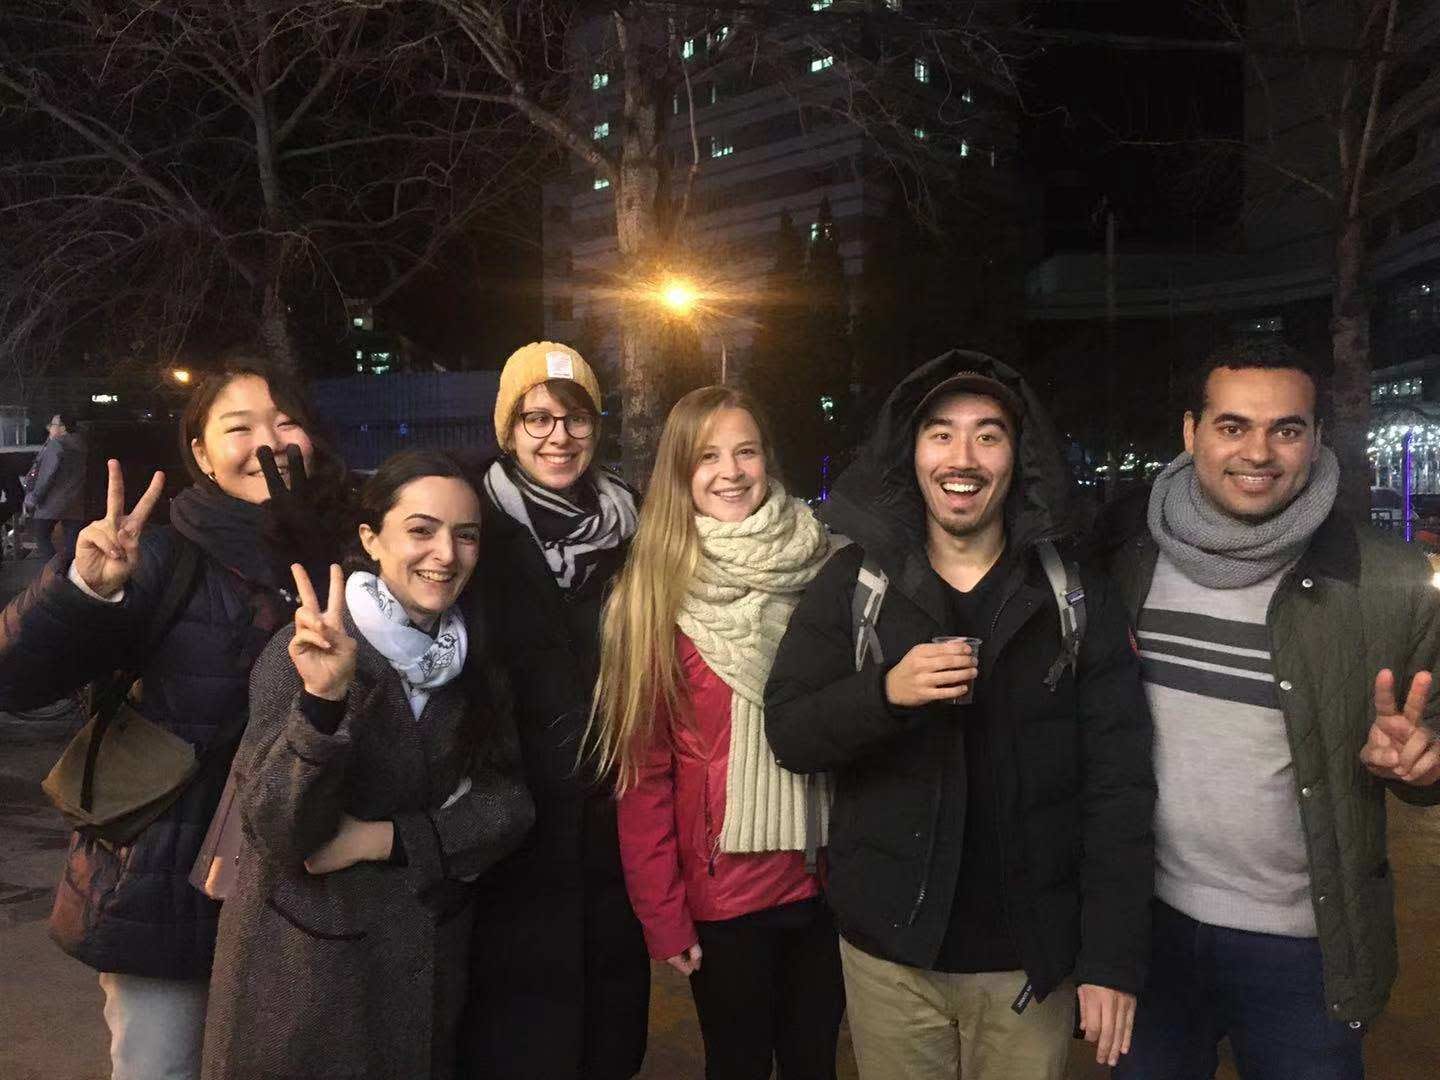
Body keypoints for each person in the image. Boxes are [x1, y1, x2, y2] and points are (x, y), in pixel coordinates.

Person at [764, 351, 1156, 1080]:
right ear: (910, 453)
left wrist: (1110, 957)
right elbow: (790, 733)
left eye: (988, 435)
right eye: (940, 433)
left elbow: (1120, 787)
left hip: (1029, 962)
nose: (963, 457)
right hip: (891, 957)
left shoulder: (1075, 596)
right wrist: (884, 694)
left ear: (1019, 457)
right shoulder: (854, 584)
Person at [1091, 340, 1440, 1080]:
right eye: (1233, 426)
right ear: (1192, 433)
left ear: (1316, 438)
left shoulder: (1386, 578)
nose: (1259, 452)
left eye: (1286, 429)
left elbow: (1429, 741)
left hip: (1307, 948)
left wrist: (1421, 761)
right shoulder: (1127, 562)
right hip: (1148, 929)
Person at [0, 361, 349, 1080]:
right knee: (163, 1067)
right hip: (167, 882)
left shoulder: (350, 552)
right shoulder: (159, 555)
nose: (268, 443)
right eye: (239, 427)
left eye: (285, 422)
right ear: (200, 454)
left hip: (309, 880)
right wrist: (82, 590)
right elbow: (16, 681)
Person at [201, 449, 535, 1080]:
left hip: (421, 976)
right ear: (371, 539)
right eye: (421, 530)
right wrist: (323, 704)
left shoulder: (474, 661)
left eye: (465, 535)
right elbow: (278, 832)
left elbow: (507, 807)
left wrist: (387, 839)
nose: (445, 554)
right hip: (303, 983)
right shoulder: (304, 650)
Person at [591, 387, 846, 1080]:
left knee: (814, 1063)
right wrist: (662, 912)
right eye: (707, 457)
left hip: (826, 875)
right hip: (724, 895)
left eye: (745, 451)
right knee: (736, 1064)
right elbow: (644, 774)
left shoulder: (823, 568)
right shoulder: (653, 593)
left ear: (768, 460)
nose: (730, 472)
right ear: (680, 472)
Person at [459, 342, 649, 1079]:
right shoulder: (472, 527)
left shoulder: (634, 530)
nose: (557, 437)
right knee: (519, 1036)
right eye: (536, 418)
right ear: (508, 431)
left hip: (612, 819)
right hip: (513, 822)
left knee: (610, 1033)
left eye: (575, 418)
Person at [26, 412, 87, 562]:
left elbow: (46, 475)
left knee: (41, 534)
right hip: (76, 502)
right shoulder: (83, 445)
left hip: (52, 502)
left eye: (52, 425)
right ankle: (71, 570)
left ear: (63, 428)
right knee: (72, 544)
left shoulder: (57, 445)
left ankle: (55, 570)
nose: (49, 428)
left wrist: (34, 498)